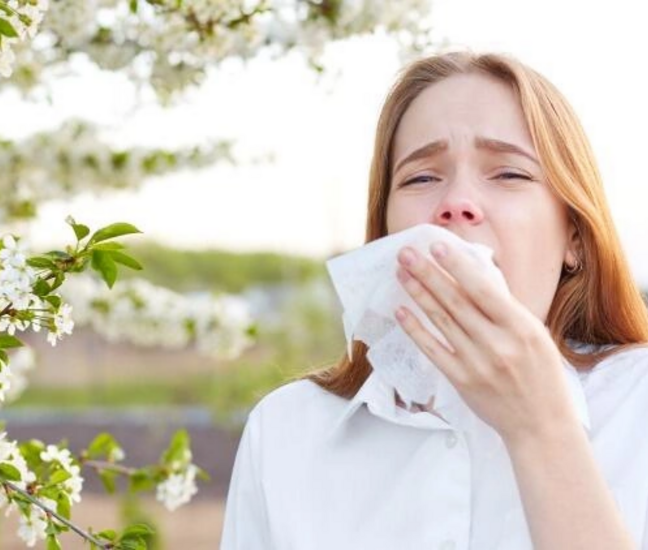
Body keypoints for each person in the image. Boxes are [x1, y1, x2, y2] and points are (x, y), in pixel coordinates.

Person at [219, 50, 648, 549]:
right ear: (384, 232)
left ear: (574, 235)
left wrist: (541, 427)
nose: (456, 203)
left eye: (509, 174)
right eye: (421, 177)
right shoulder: (285, 431)